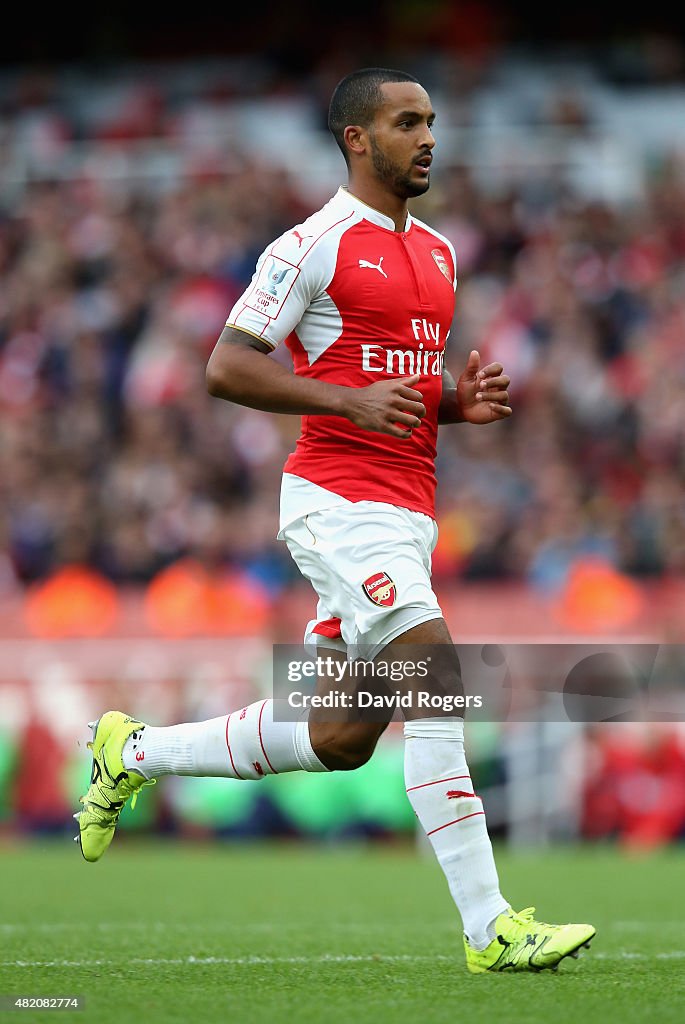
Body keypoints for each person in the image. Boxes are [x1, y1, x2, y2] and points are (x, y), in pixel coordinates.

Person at [76, 68, 595, 973]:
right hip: (337, 502)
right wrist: (346, 405)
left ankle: (134, 751)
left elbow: (387, 384)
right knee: (438, 680)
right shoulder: (309, 244)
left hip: (406, 511)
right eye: (405, 122)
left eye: (431, 120)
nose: (426, 136)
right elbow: (226, 367)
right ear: (356, 139)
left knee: (340, 737)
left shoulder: (437, 251)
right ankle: (491, 927)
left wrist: (447, 405)